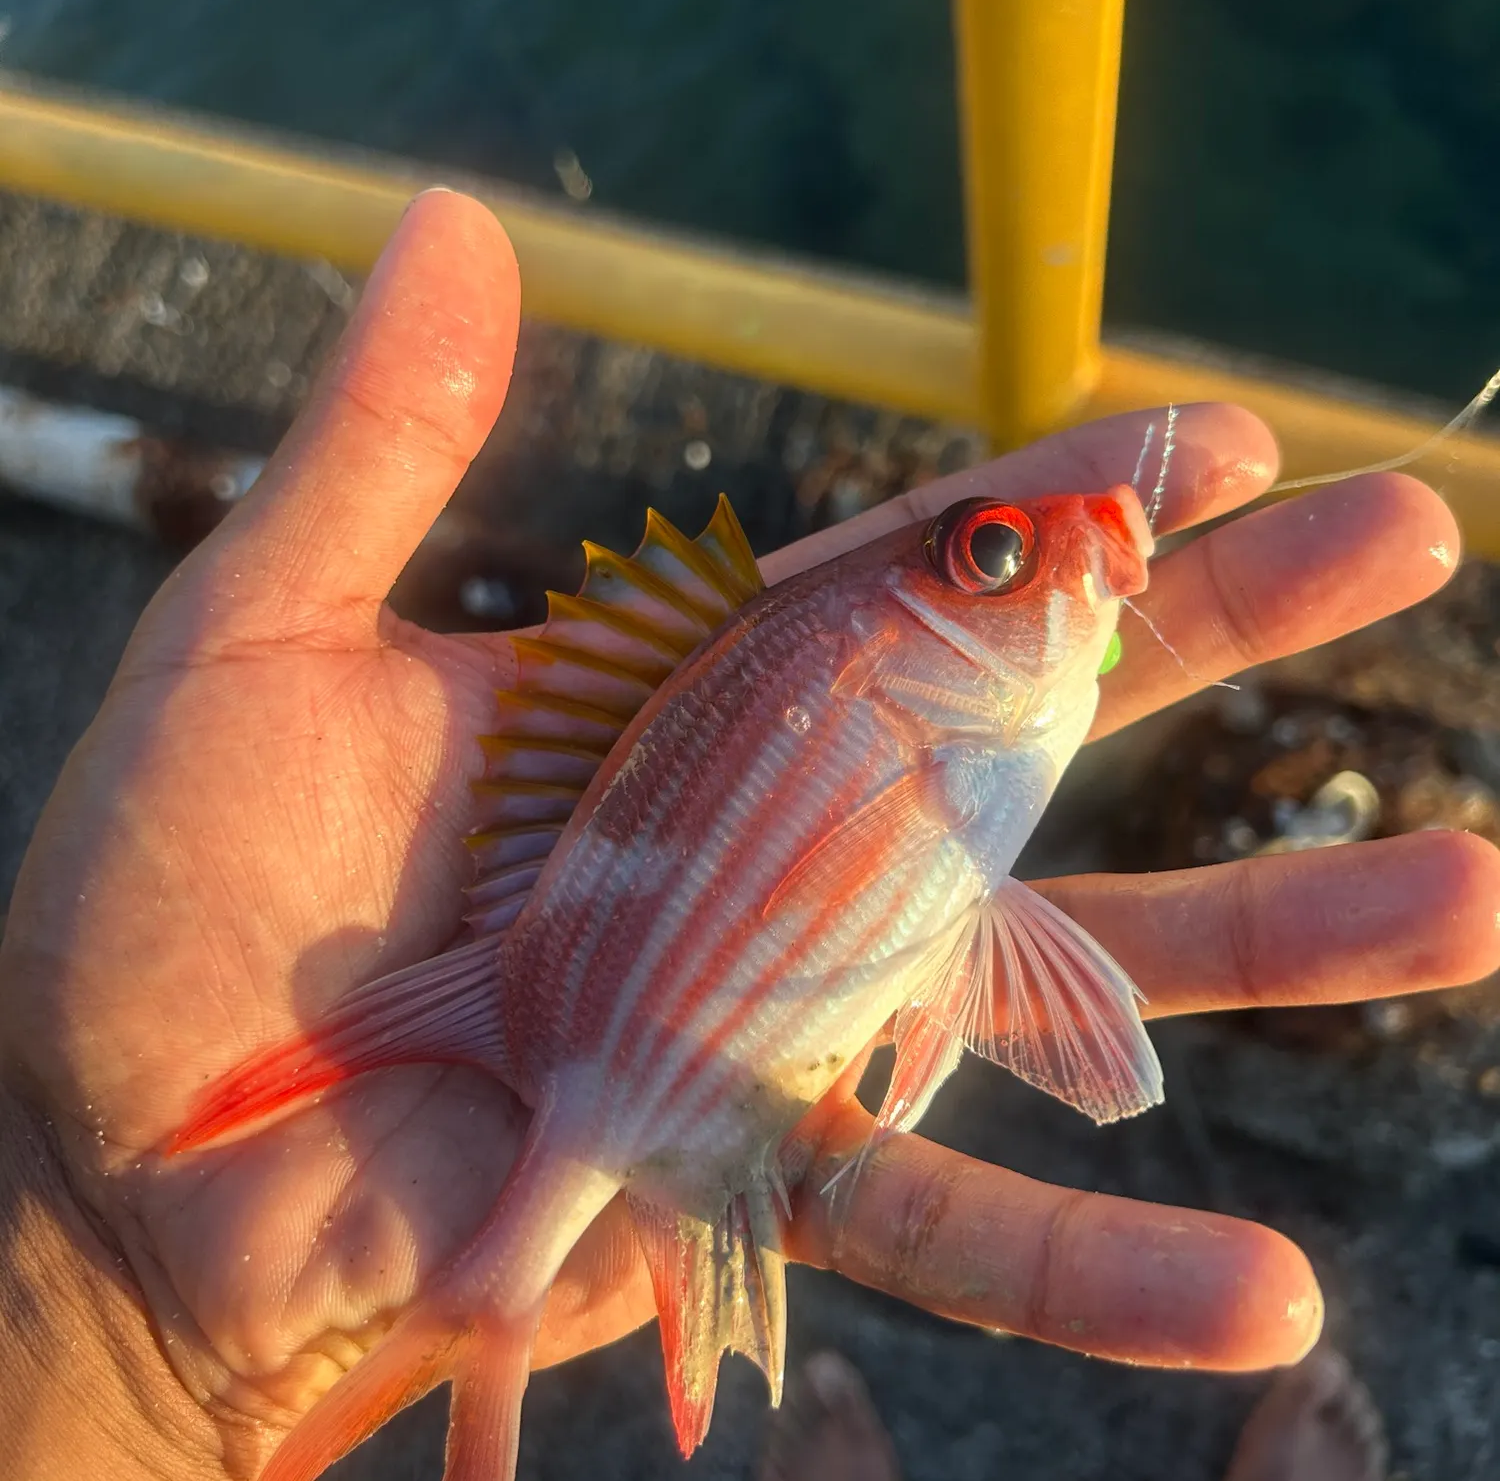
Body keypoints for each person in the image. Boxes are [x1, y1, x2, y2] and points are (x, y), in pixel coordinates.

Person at [0, 188, 1494, 1481]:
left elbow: (940, 918)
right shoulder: (917, 716)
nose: (1053, 547)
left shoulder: (933, 721)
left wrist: (109, 1304)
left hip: (580, 1023)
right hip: (583, 1027)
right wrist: (112, 1300)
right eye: (990, 555)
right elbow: (949, 922)